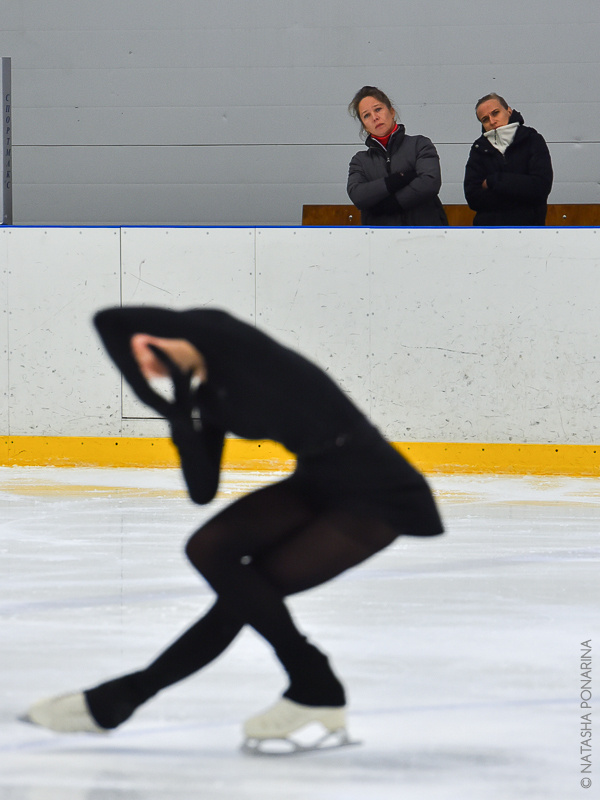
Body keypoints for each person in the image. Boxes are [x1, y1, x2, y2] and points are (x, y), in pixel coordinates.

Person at [25, 306, 443, 749]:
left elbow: (108, 320)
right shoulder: (208, 398)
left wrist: (151, 392)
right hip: (318, 479)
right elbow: (203, 490)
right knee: (212, 552)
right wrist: (179, 417)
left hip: (378, 491)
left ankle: (310, 686)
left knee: (245, 596)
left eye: (145, 350)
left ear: (166, 331)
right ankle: (128, 698)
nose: (144, 364)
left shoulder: (225, 336)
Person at [347, 85, 448, 227]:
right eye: (366, 115)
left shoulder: (419, 144)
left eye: (378, 109)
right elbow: (357, 195)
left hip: (425, 233)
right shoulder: (360, 161)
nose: (375, 117)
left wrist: (394, 203)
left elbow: (430, 182)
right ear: (364, 126)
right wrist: (395, 181)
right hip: (381, 237)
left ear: (392, 111)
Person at [463, 93, 553, 226]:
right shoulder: (479, 148)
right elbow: (473, 198)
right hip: (488, 232)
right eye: (485, 119)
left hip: (529, 230)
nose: (492, 121)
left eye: (495, 113)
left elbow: (540, 187)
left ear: (509, 111)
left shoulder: (532, 139)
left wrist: (493, 181)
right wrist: (520, 193)